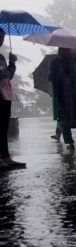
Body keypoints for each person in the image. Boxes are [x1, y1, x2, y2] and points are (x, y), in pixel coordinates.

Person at [49, 47, 76, 151]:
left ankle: (70, 143)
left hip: (61, 96)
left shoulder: (54, 62)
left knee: (63, 119)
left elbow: (50, 77)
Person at [0, 30, 25, 170]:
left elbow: (8, 76)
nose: (1, 39)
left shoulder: (2, 58)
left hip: (5, 95)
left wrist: (12, 63)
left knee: (4, 127)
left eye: (2, 37)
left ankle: (6, 157)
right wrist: (7, 70)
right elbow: (3, 74)